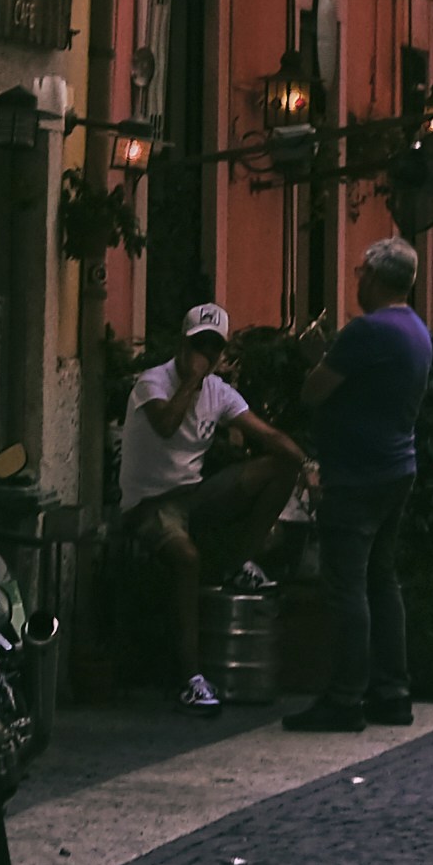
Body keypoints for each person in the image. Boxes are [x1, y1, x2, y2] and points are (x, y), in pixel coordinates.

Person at [112, 299, 307, 710]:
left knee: (279, 466)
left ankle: (240, 561)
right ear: (182, 346)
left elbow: (265, 434)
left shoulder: (219, 392)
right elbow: (166, 425)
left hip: (192, 495)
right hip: (149, 505)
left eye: (212, 349)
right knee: (186, 557)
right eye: (198, 346)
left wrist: (305, 466)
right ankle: (192, 677)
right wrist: (191, 382)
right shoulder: (153, 382)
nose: (204, 356)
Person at [291, 240, 433, 729]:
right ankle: (392, 691)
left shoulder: (367, 332)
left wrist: (317, 357)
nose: (356, 280)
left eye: (359, 271)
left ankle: (345, 697)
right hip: (398, 467)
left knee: (346, 586)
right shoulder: (417, 329)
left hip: (357, 474)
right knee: (382, 580)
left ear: (373, 276)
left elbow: (314, 390)